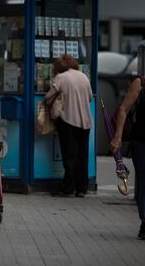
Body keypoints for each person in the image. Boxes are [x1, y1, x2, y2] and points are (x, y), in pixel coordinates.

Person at [110, 48, 145, 243]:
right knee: (144, 183)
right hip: (141, 141)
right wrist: (118, 137)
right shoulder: (140, 84)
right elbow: (123, 110)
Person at [45, 54, 93, 198]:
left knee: (70, 155)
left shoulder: (61, 77)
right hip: (85, 121)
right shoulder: (83, 76)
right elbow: (90, 97)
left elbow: (48, 97)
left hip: (68, 120)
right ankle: (81, 188)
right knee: (82, 155)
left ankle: (67, 187)